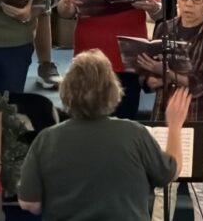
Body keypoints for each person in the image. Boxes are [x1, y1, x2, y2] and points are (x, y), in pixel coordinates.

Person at [17, 49, 192, 220]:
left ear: (66, 89)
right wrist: (174, 126)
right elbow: (170, 172)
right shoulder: (134, 133)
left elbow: (29, 203)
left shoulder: (46, 139)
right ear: (112, 89)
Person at [141, 0, 203, 221]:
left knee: (200, 188)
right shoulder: (164, 28)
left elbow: (202, 84)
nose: (189, 4)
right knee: (163, 185)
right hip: (164, 114)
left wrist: (165, 74)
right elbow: (148, 77)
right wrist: (154, 76)